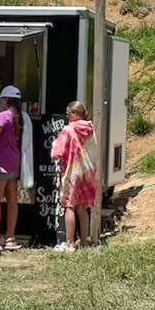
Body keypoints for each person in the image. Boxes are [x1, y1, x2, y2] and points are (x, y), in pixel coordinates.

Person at [50, 101, 98, 251]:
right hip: (87, 173)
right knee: (82, 207)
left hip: (72, 172)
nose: (67, 116)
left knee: (70, 206)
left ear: (75, 114)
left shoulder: (68, 130)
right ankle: (84, 242)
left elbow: (57, 153)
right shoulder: (90, 129)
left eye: (68, 113)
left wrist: (54, 145)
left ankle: (70, 243)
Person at [0, 86, 24, 255]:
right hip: (15, 162)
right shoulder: (20, 116)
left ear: (7, 100)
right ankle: (10, 238)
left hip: (1, 162)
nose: (1, 102)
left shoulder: (3, 116)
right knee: (12, 199)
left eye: (2, 99)